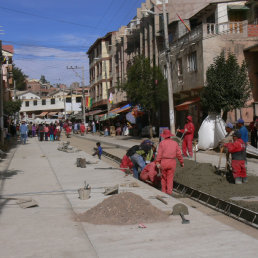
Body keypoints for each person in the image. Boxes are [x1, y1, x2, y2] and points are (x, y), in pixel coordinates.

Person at [156, 129, 184, 195]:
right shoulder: (175, 143)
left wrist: (157, 162)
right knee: (170, 178)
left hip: (164, 162)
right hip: (172, 162)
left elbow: (159, 154)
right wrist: (181, 162)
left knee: (163, 178)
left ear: (164, 136)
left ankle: (163, 192)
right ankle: (169, 192)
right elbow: (179, 154)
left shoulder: (162, 143)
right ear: (170, 136)